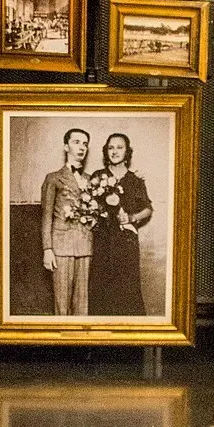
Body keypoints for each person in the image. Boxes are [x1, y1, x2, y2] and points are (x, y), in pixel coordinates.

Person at [88, 132, 152, 315]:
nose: (114, 151)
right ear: (106, 151)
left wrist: (131, 218)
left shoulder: (135, 180)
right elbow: (88, 204)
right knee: (101, 288)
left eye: (119, 147)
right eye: (110, 148)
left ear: (127, 152)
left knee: (126, 290)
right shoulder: (97, 176)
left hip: (126, 242)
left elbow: (148, 209)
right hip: (103, 241)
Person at [40, 127, 94, 315]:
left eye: (85, 144)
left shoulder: (91, 180)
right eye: (76, 142)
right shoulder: (53, 178)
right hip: (61, 247)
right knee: (62, 305)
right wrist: (47, 249)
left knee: (82, 305)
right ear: (66, 147)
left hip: (85, 245)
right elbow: (46, 216)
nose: (82, 147)